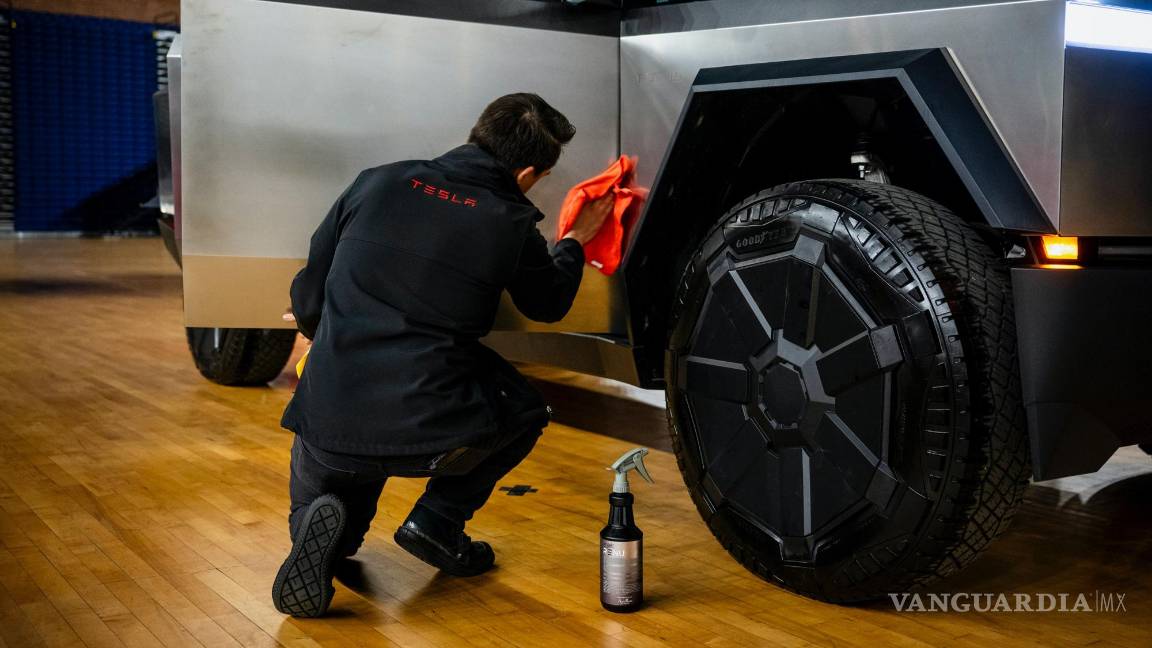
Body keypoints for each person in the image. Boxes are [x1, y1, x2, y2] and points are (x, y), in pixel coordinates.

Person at [272, 93, 613, 618]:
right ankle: (436, 520)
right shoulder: (509, 218)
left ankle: (317, 531)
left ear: (478, 133)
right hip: (432, 428)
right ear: (526, 173)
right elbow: (547, 305)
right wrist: (573, 241)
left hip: (330, 421)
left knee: (335, 504)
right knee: (526, 410)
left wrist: (330, 336)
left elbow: (308, 298)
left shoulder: (376, 181)